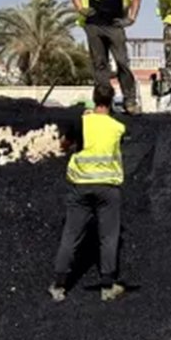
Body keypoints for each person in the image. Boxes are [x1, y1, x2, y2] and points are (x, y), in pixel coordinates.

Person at [50, 84, 128, 302]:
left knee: (71, 235)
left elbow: (64, 145)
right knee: (109, 237)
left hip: (80, 186)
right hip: (108, 188)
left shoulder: (81, 122)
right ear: (111, 102)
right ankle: (107, 286)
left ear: (94, 99)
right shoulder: (117, 127)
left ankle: (59, 286)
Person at [71, 0, 141, 115]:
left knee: (122, 63)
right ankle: (104, 103)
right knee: (100, 65)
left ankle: (130, 101)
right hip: (93, 25)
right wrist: (80, 8)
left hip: (114, 25)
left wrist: (131, 18)